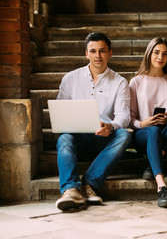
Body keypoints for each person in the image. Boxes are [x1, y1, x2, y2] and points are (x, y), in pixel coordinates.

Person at [55, 32, 131, 211]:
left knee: (124, 135)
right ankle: (71, 190)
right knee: (64, 139)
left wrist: (111, 126)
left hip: (103, 138)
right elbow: (60, 110)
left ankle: (89, 185)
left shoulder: (120, 82)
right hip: (78, 138)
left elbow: (124, 115)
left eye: (102, 51)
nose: (98, 56)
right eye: (93, 51)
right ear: (86, 54)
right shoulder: (70, 78)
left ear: (110, 53)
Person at [129, 37, 167, 208]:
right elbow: (130, 117)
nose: (160, 57)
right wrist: (143, 123)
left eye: (164, 54)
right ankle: (161, 186)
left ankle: (156, 157)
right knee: (153, 131)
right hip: (144, 133)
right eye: (156, 52)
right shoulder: (136, 82)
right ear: (149, 54)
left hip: (166, 132)